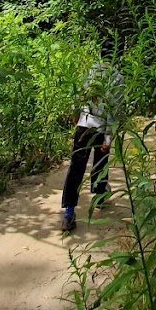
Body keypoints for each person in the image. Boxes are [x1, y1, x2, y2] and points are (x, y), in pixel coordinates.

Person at [61, 60, 125, 233]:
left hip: (84, 125)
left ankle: (69, 212)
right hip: (102, 127)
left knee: (76, 167)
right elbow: (116, 109)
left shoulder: (91, 72)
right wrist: (109, 137)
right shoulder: (117, 78)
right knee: (100, 163)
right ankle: (100, 196)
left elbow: (79, 95)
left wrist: (76, 113)